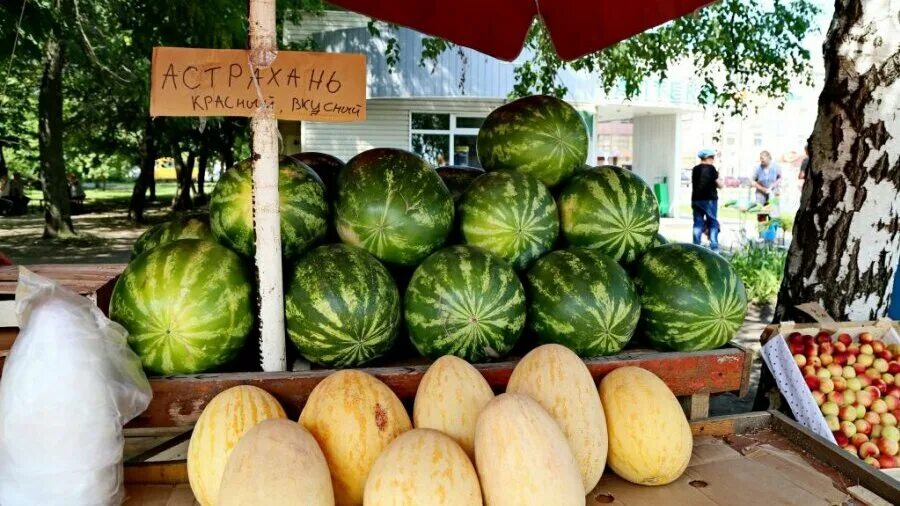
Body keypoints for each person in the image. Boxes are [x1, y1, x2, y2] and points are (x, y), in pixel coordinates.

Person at [691, 149, 723, 251]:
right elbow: (719, 184)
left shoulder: (695, 169)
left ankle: (696, 246)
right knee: (712, 222)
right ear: (708, 158)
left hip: (696, 199)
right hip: (709, 199)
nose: (713, 160)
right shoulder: (711, 169)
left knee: (698, 223)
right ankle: (714, 246)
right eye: (713, 158)